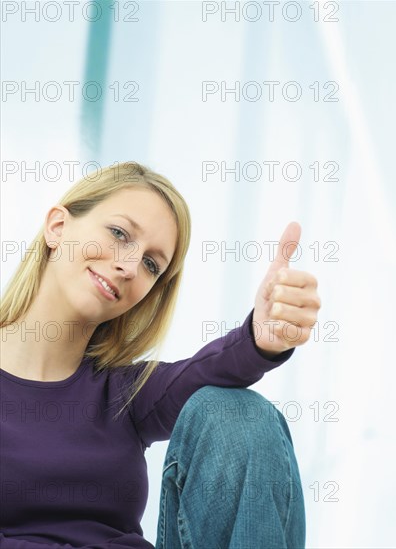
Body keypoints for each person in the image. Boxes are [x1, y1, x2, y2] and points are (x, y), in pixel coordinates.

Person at [0, 161, 321, 548]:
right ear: (57, 226)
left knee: (238, 412)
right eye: (119, 233)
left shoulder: (125, 394)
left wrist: (260, 335)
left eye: (152, 264)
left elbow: (208, 373)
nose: (130, 267)